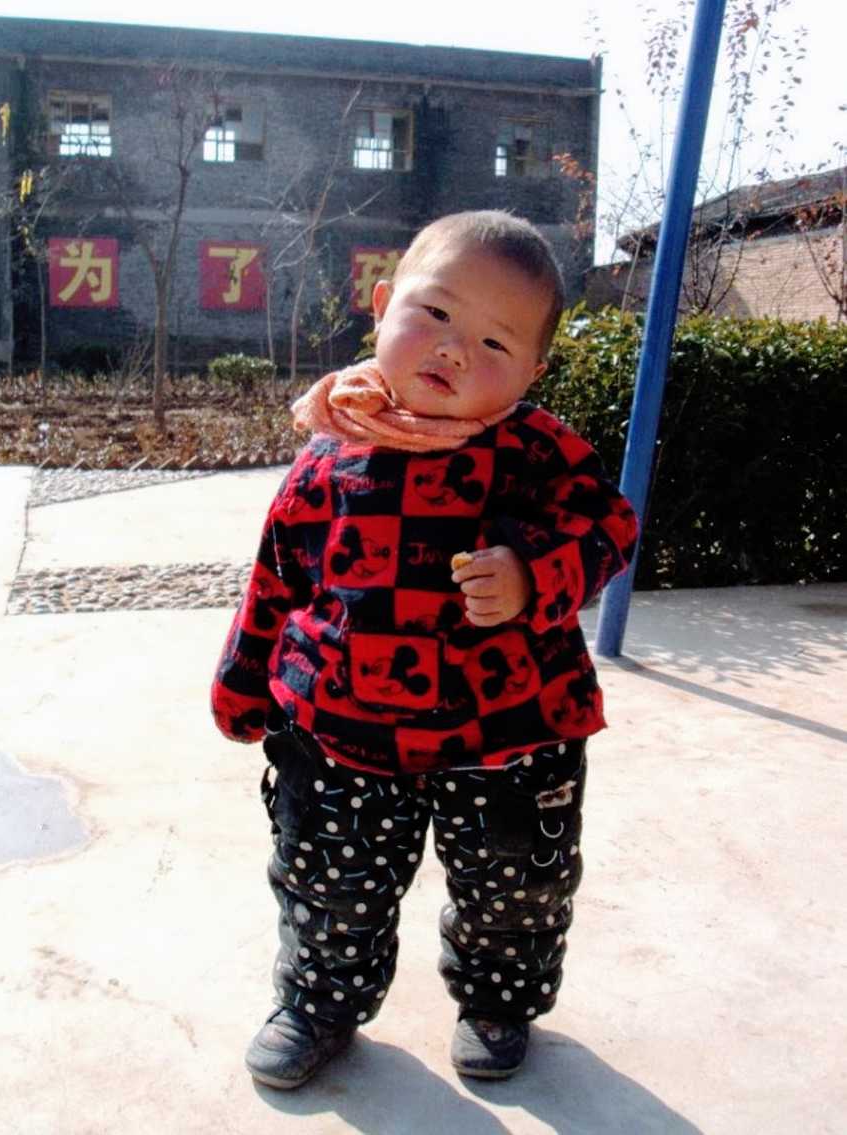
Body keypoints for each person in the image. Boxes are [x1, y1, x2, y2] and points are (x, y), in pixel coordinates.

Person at [211, 210, 638, 1089]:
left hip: (510, 731)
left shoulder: (539, 456)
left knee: (515, 886)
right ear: (381, 305)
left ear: (531, 371)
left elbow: (611, 525)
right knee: (328, 878)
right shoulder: (332, 454)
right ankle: (318, 1001)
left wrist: (531, 574)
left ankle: (497, 1001)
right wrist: (244, 679)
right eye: (436, 315)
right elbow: (278, 577)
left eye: (494, 341)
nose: (454, 351)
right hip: (344, 731)